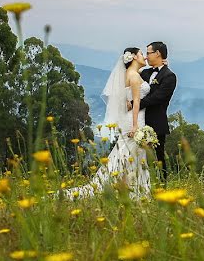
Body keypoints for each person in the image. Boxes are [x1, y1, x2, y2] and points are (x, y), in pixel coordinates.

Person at [65, 48, 151, 199]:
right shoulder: (135, 76)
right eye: (141, 54)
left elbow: (122, 97)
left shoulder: (125, 75)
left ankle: (130, 189)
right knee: (133, 154)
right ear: (134, 58)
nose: (144, 56)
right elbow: (137, 101)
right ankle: (135, 191)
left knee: (126, 153)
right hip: (134, 120)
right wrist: (136, 125)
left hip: (127, 118)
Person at [137, 41, 177, 179]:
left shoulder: (169, 76)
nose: (147, 57)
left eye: (148, 53)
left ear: (158, 53)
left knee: (159, 157)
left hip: (156, 121)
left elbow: (157, 98)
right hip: (139, 120)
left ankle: (162, 185)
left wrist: (135, 104)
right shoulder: (146, 72)